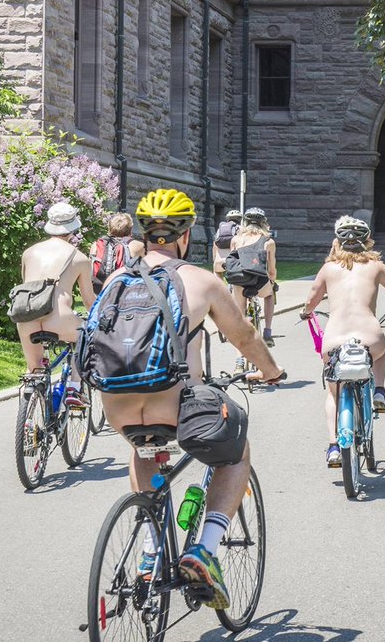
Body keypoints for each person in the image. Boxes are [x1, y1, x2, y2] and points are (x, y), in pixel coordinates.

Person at [99, 188, 286, 609]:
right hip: (173, 402)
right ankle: (204, 550)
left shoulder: (115, 280)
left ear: (144, 234)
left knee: (144, 449)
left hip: (117, 406)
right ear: (185, 235)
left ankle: (150, 550)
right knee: (235, 453)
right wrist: (271, 370)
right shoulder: (200, 281)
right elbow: (244, 336)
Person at [300, 217, 385, 465]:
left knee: (333, 393)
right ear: (367, 241)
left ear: (338, 242)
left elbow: (312, 298)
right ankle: (379, 390)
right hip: (369, 337)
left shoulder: (328, 269)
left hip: (334, 341)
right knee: (381, 353)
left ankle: (333, 447)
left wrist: (306, 312)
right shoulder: (376, 266)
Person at [15, 201, 96, 408]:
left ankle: (28, 414)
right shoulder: (79, 258)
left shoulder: (29, 252)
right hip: (60, 319)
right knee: (86, 335)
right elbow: (89, 301)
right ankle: (74, 389)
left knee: (33, 370)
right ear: (73, 228)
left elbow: (28, 285)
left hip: (26, 317)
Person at [229, 207, 278, 346]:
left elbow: (232, 261)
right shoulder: (269, 242)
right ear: (264, 223)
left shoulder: (236, 240)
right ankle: (267, 332)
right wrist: (273, 282)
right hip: (259, 281)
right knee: (269, 295)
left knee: (241, 312)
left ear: (245, 222)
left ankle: (240, 353)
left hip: (240, 280)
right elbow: (272, 270)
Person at [89, 212, 146, 293]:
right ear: (130, 229)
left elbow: (90, 271)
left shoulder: (96, 245)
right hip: (124, 292)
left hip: (99, 291)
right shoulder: (137, 246)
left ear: (109, 228)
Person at [211, 208, 242, 277]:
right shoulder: (241, 229)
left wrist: (215, 260)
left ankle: (218, 283)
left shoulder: (220, 230)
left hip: (220, 261)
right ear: (240, 219)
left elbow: (214, 246)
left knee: (217, 270)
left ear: (227, 219)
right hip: (234, 262)